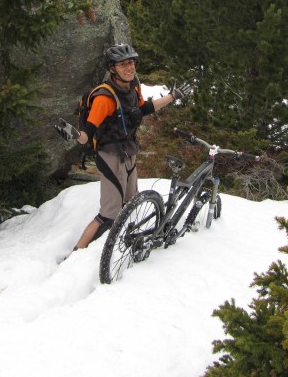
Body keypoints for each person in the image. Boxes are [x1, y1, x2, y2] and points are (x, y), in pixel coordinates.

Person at [55, 43, 191, 250]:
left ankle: (121, 241)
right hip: (110, 156)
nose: (129, 68)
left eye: (131, 63)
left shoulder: (133, 85)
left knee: (130, 202)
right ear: (112, 68)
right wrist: (75, 136)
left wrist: (173, 97)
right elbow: (88, 133)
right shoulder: (104, 97)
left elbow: (142, 109)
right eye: (122, 65)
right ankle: (76, 253)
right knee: (109, 214)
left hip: (129, 151)